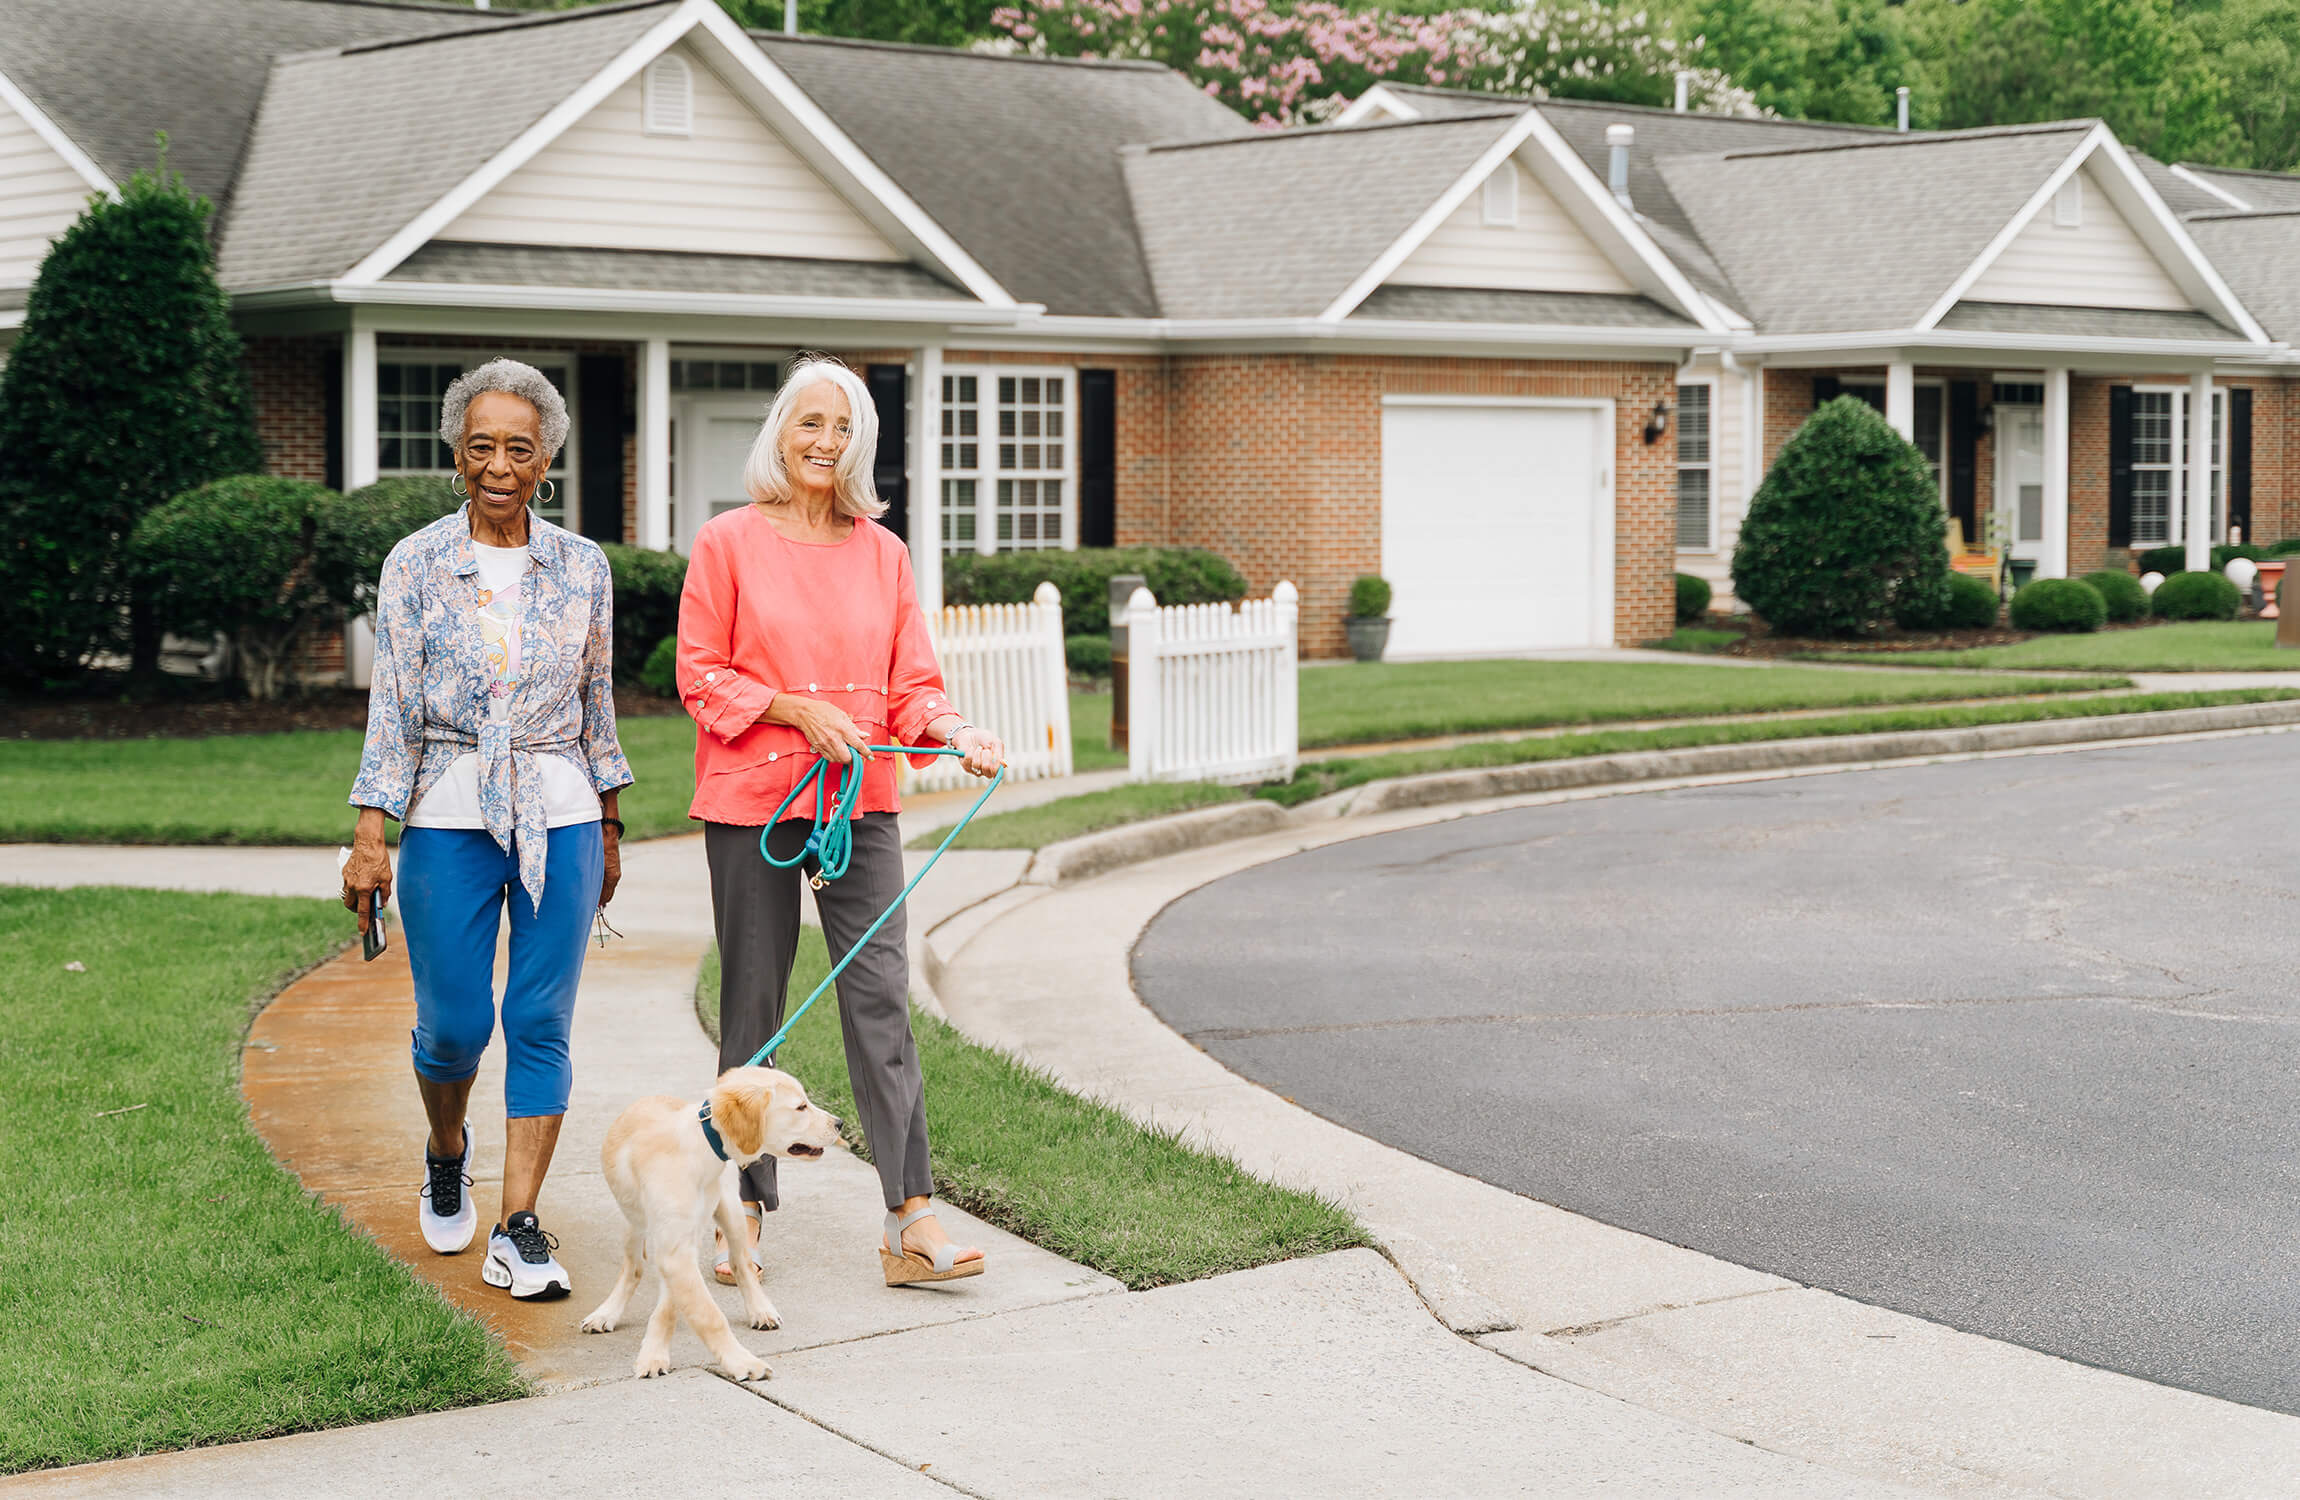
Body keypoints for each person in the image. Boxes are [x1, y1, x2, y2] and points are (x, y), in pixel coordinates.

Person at [677, 354, 1002, 1287]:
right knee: (755, 1007)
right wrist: (791, 709)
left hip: (857, 808)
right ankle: (741, 1211)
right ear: (779, 432)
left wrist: (957, 730)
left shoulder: (883, 553)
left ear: (861, 445)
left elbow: (913, 690)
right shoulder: (728, 542)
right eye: (809, 423)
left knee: (881, 1006)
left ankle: (912, 1220)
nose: (825, 442)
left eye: (843, 427)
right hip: (756, 807)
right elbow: (700, 673)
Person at [341, 357, 632, 1302]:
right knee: (455, 1025)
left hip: (564, 809)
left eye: (519, 447)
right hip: (448, 809)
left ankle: (519, 1226)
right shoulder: (416, 562)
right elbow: (390, 709)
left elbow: (596, 704)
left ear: (546, 457)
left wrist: (614, 824)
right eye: (481, 447)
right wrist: (369, 836)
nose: (499, 464)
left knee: (540, 1019)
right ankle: (446, 1146)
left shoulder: (584, 565)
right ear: (456, 456)